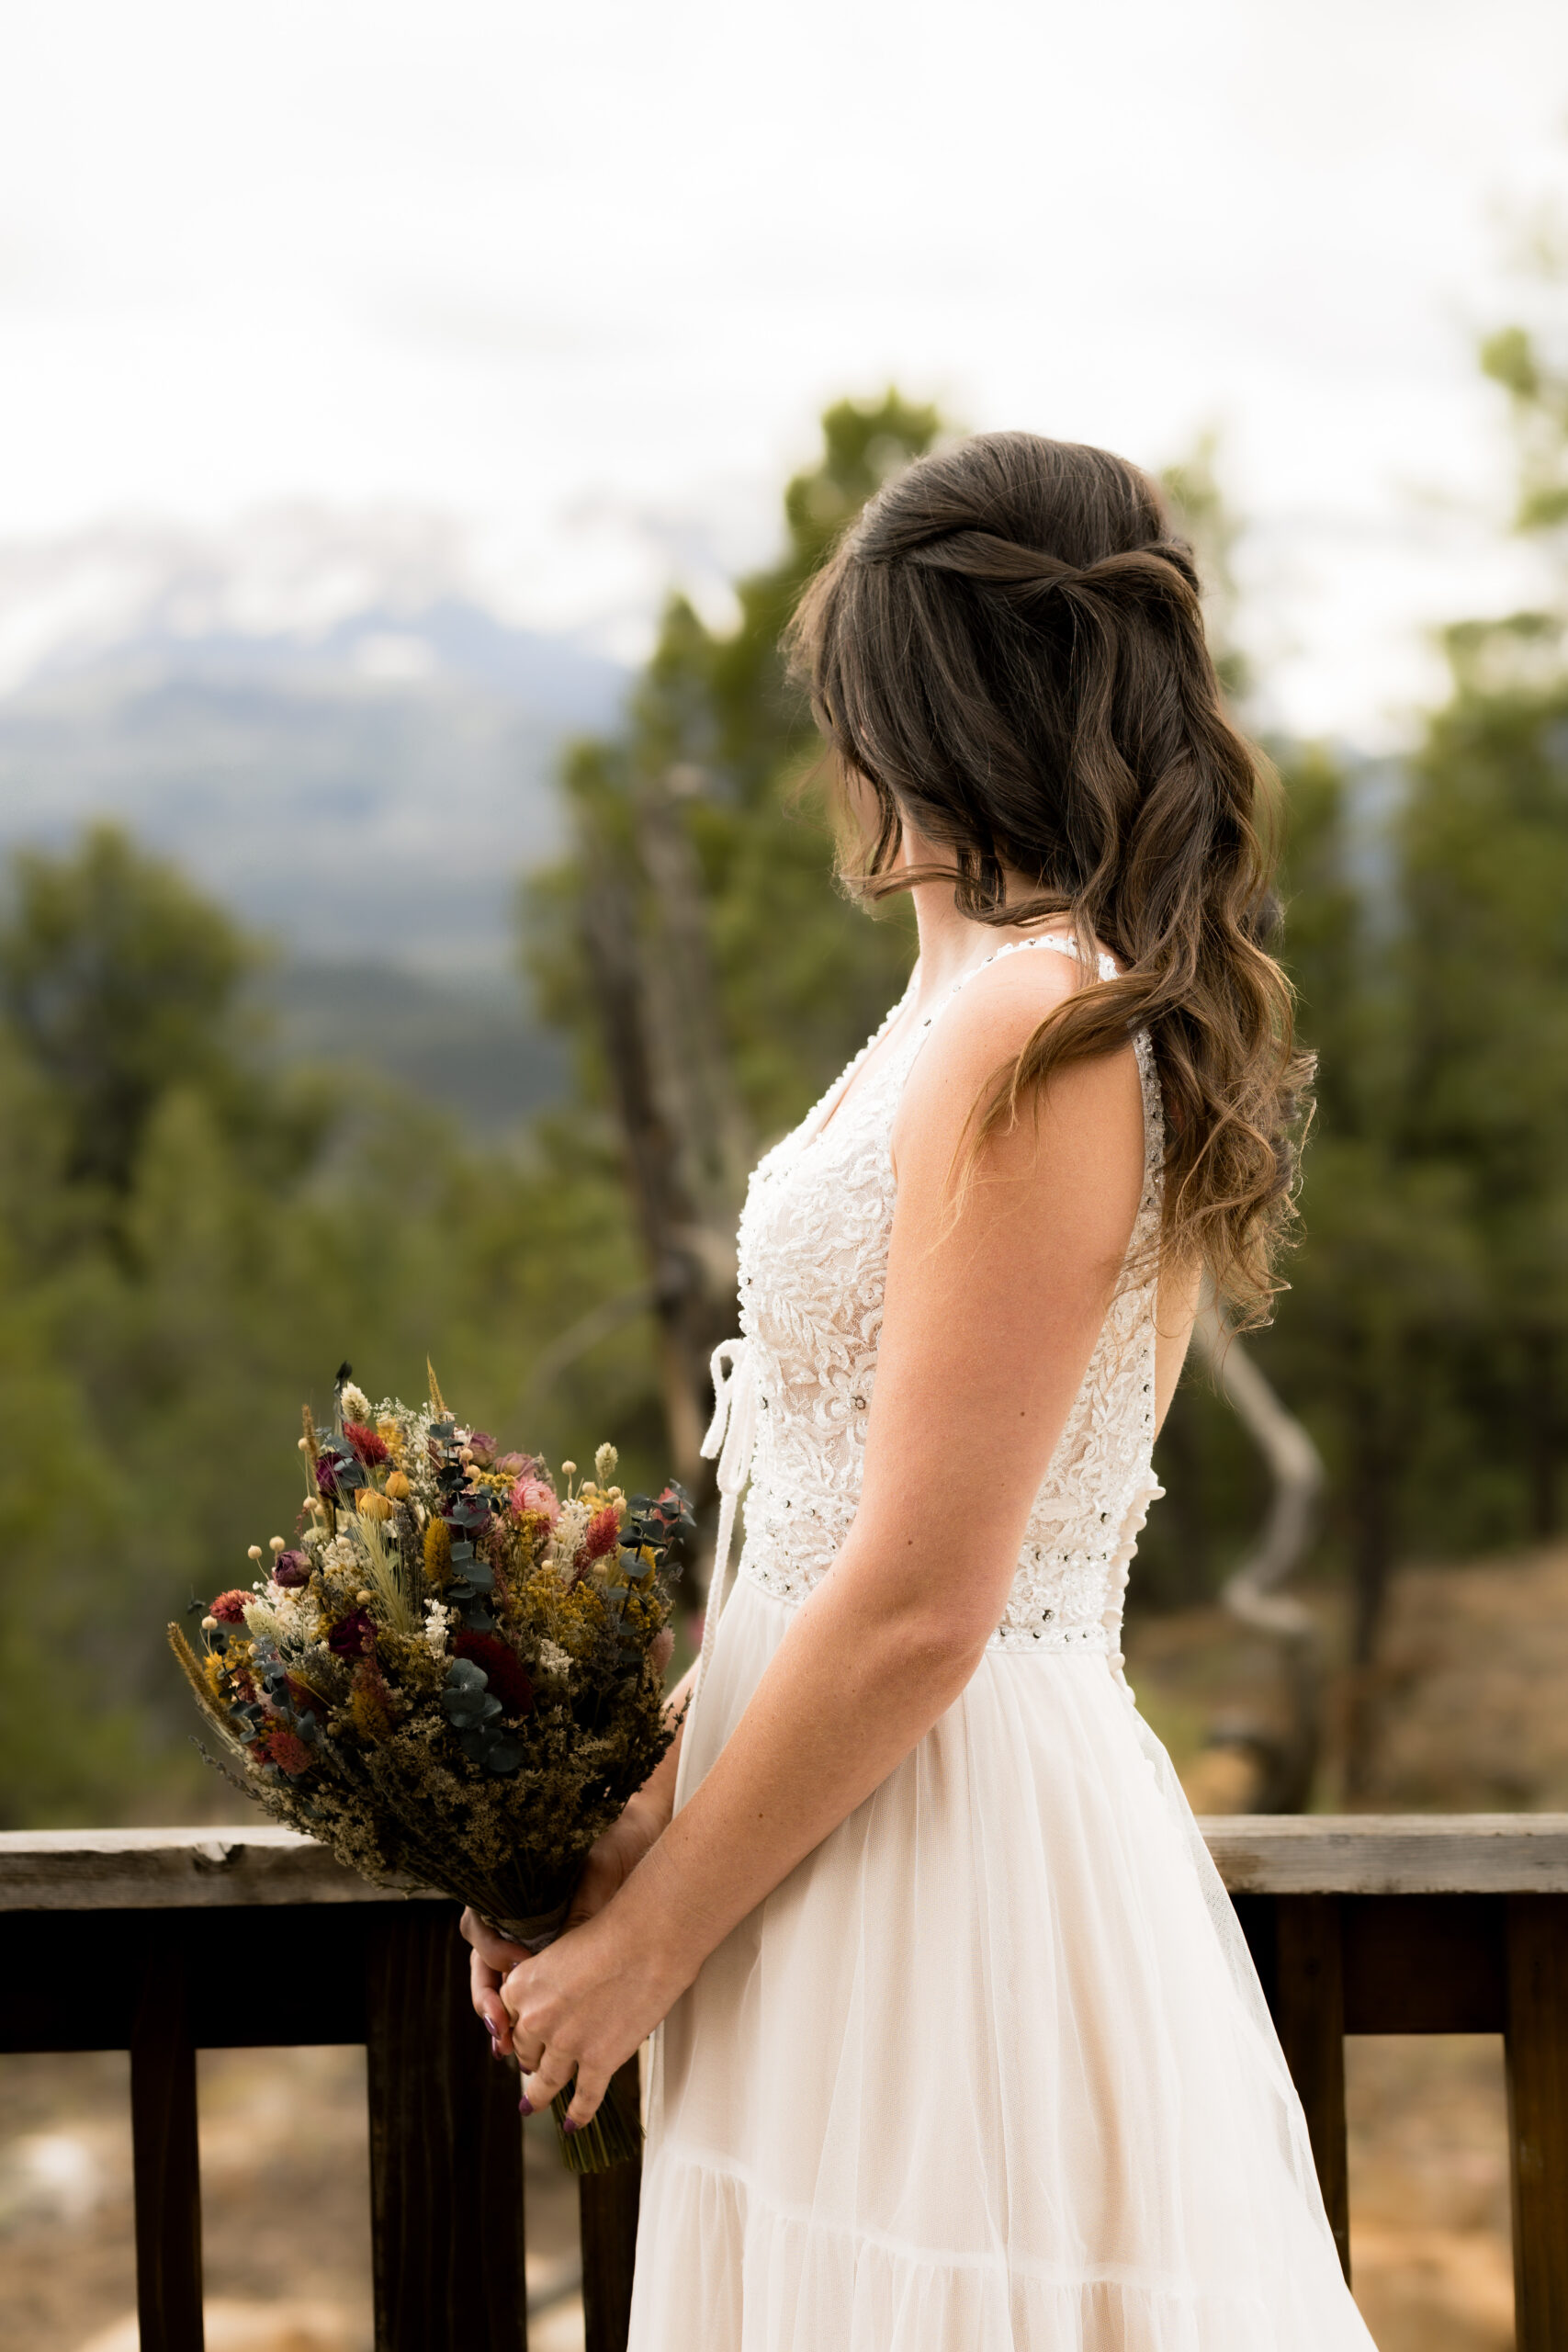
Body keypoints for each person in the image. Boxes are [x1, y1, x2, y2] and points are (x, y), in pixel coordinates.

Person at [464, 432, 1376, 2347]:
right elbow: (804, 1506)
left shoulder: (1034, 1021)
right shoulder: (972, 996)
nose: (838, 744)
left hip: (937, 1866)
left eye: (855, 688)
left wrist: (648, 1941)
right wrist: (630, 1813)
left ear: (930, 692)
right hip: (818, 1830)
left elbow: (916, 1597)